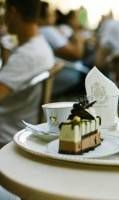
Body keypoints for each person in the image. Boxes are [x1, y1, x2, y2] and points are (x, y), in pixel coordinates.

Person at [0, 0, 55, 147]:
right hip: (22, 127)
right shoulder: (40, 46)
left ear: (12, 13)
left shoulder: (27, 56)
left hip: (6, 135)